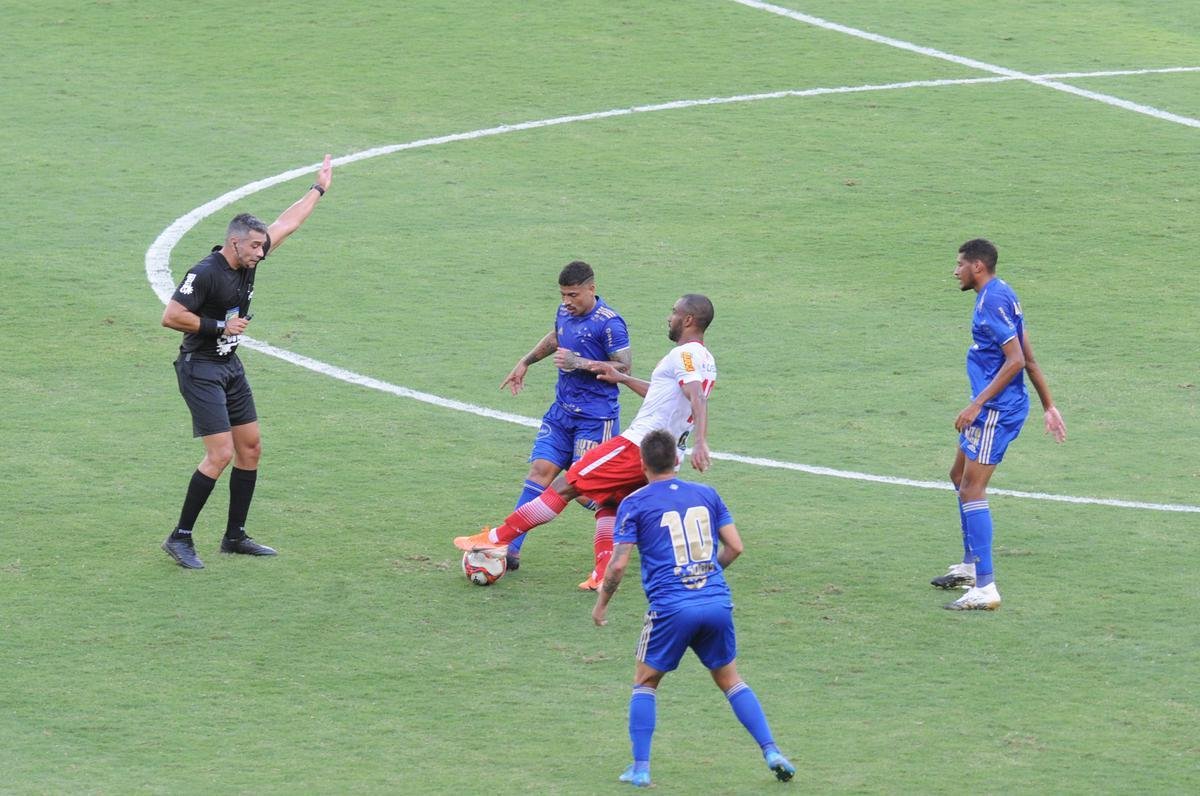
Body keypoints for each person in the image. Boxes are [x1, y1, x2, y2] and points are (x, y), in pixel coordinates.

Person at [591, 429, 796, 787]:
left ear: (642, 465)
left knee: (646, 681)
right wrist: (706, 573)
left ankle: (640, 768)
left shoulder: (635, 503)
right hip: (716, 602)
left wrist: (601, 604)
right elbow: (735, 547)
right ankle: (772, 750)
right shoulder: (707, 494)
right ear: (676, 460)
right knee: (731, 680)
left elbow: (619, 564)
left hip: (671, 608)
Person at [159, 155, 334, 569]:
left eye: (262, 245)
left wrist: (319, 188)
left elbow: (286, 223)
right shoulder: (204, 272)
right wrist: (221, 326)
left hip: (230, 369)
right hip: (200, 370)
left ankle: (234, 536)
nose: (261, 251)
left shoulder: (251, 256)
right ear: (233, 242)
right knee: (219, 454)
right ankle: (179, 537)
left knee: (250, 449)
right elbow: (171, 316)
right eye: (254, 246)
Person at [453, 294, 717, 564]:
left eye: (674, 312)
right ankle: (603, 574)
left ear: (688, 320)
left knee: (566, 485)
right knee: (610, 500)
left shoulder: (685, 354)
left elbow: (697, 396)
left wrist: (702, 441)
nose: (668, 317)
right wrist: (623, 379)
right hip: (663, 452)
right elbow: (667, 395)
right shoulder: (706, 360)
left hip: (637, 445)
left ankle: (496, 540)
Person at [933, 238, 1067, 609]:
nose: (955, 270)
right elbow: (1029, 356)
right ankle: (971, 567)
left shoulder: (992, 301)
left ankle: (986, 588)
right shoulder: (1003, 292)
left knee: (973, 490)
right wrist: (1049, 405)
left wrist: (976, 404)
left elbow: (1015, 362)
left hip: (995, 410)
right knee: (958, 477)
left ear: (978, 266)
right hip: (999, 406)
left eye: (960, 264)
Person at [498, 261, 632, 589]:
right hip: (561, 413)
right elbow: (557, 337)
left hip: (595, 419)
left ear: (591, 288)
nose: (567, 301)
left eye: (573, 294)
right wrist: (525, 361)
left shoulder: (610, 323)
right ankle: (509, 549)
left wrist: (580, 363)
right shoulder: (565, 312)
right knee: (539, 472)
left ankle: (639, 521)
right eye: (562, 295)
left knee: (586, 492)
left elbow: (624, 368)